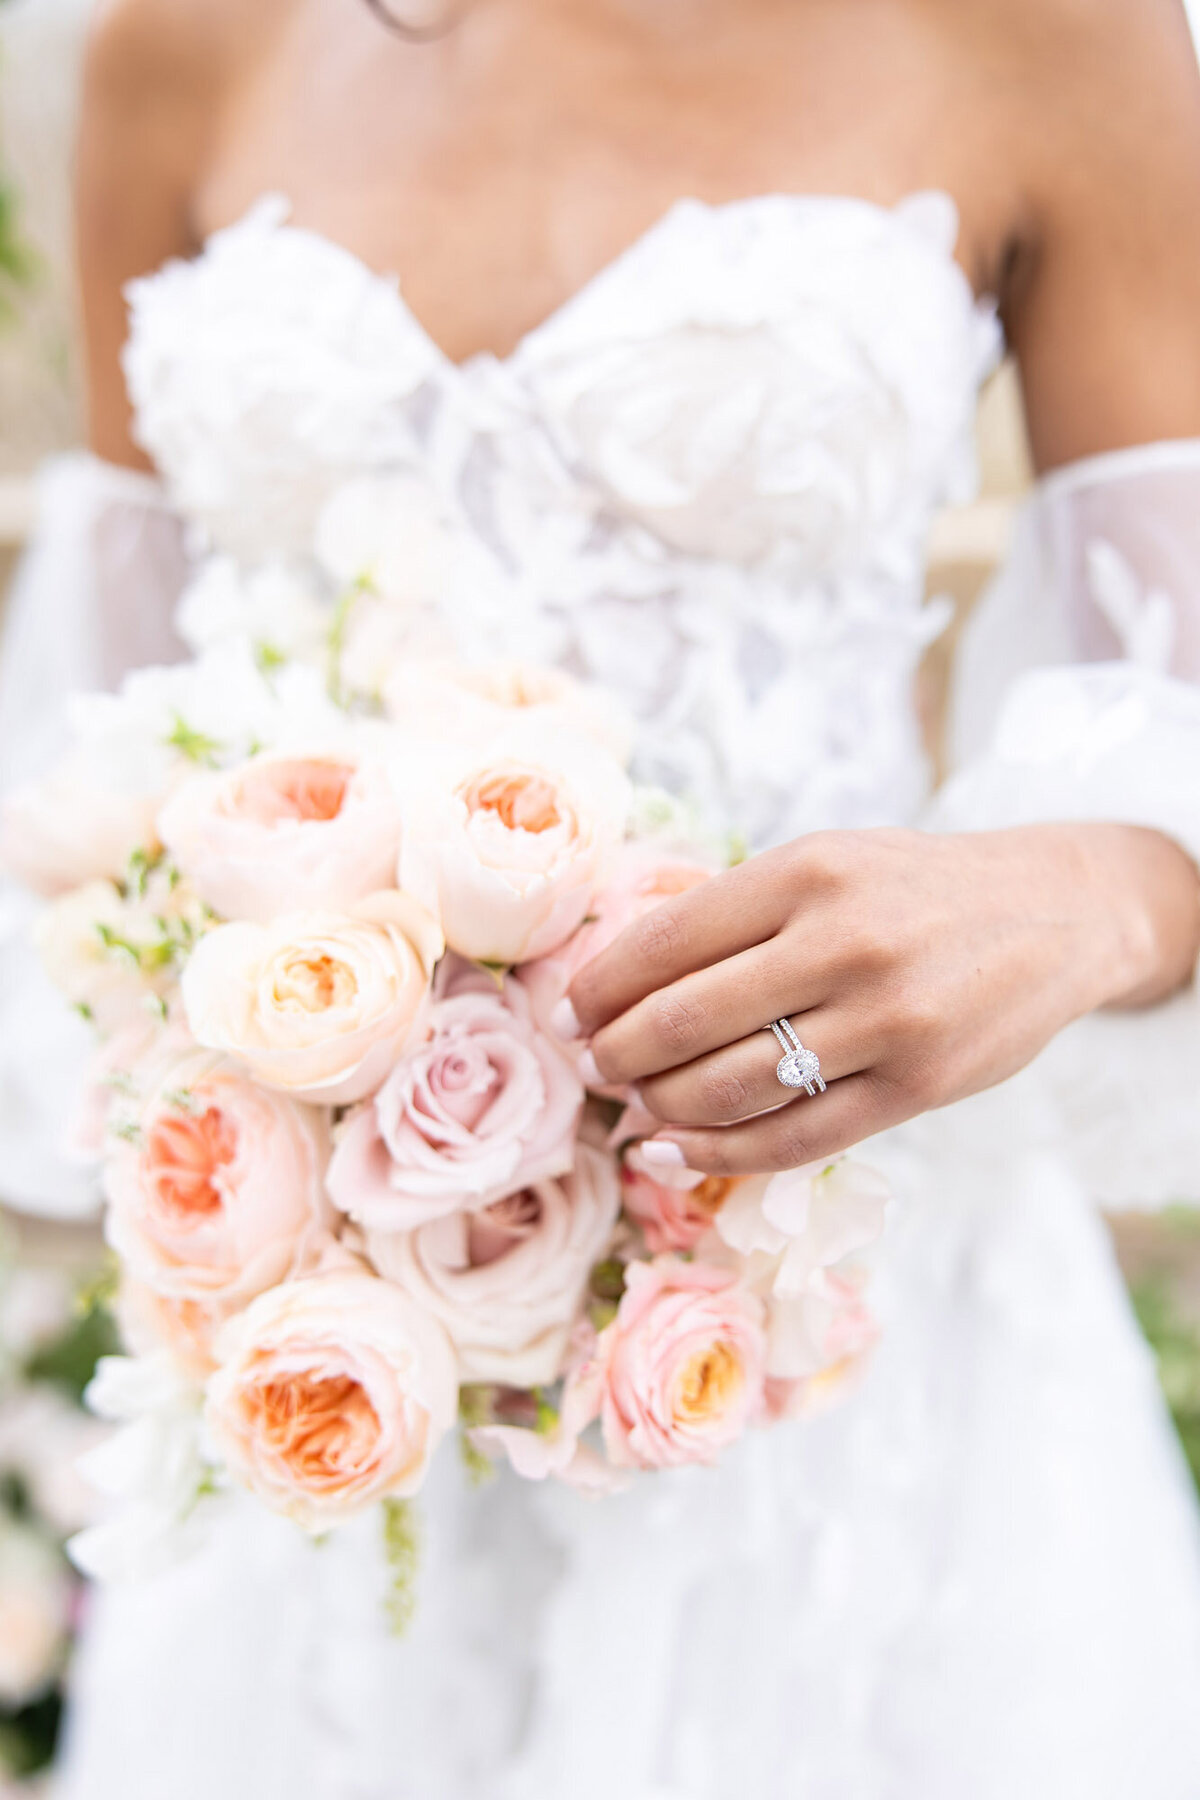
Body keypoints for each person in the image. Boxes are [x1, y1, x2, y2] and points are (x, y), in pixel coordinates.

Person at [11, 0, 1200, 1793]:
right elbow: (91, 783)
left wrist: (1104, 884)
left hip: (849, 1349)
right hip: (345, 1383)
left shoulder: (1063, 35)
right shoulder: (177, 42)